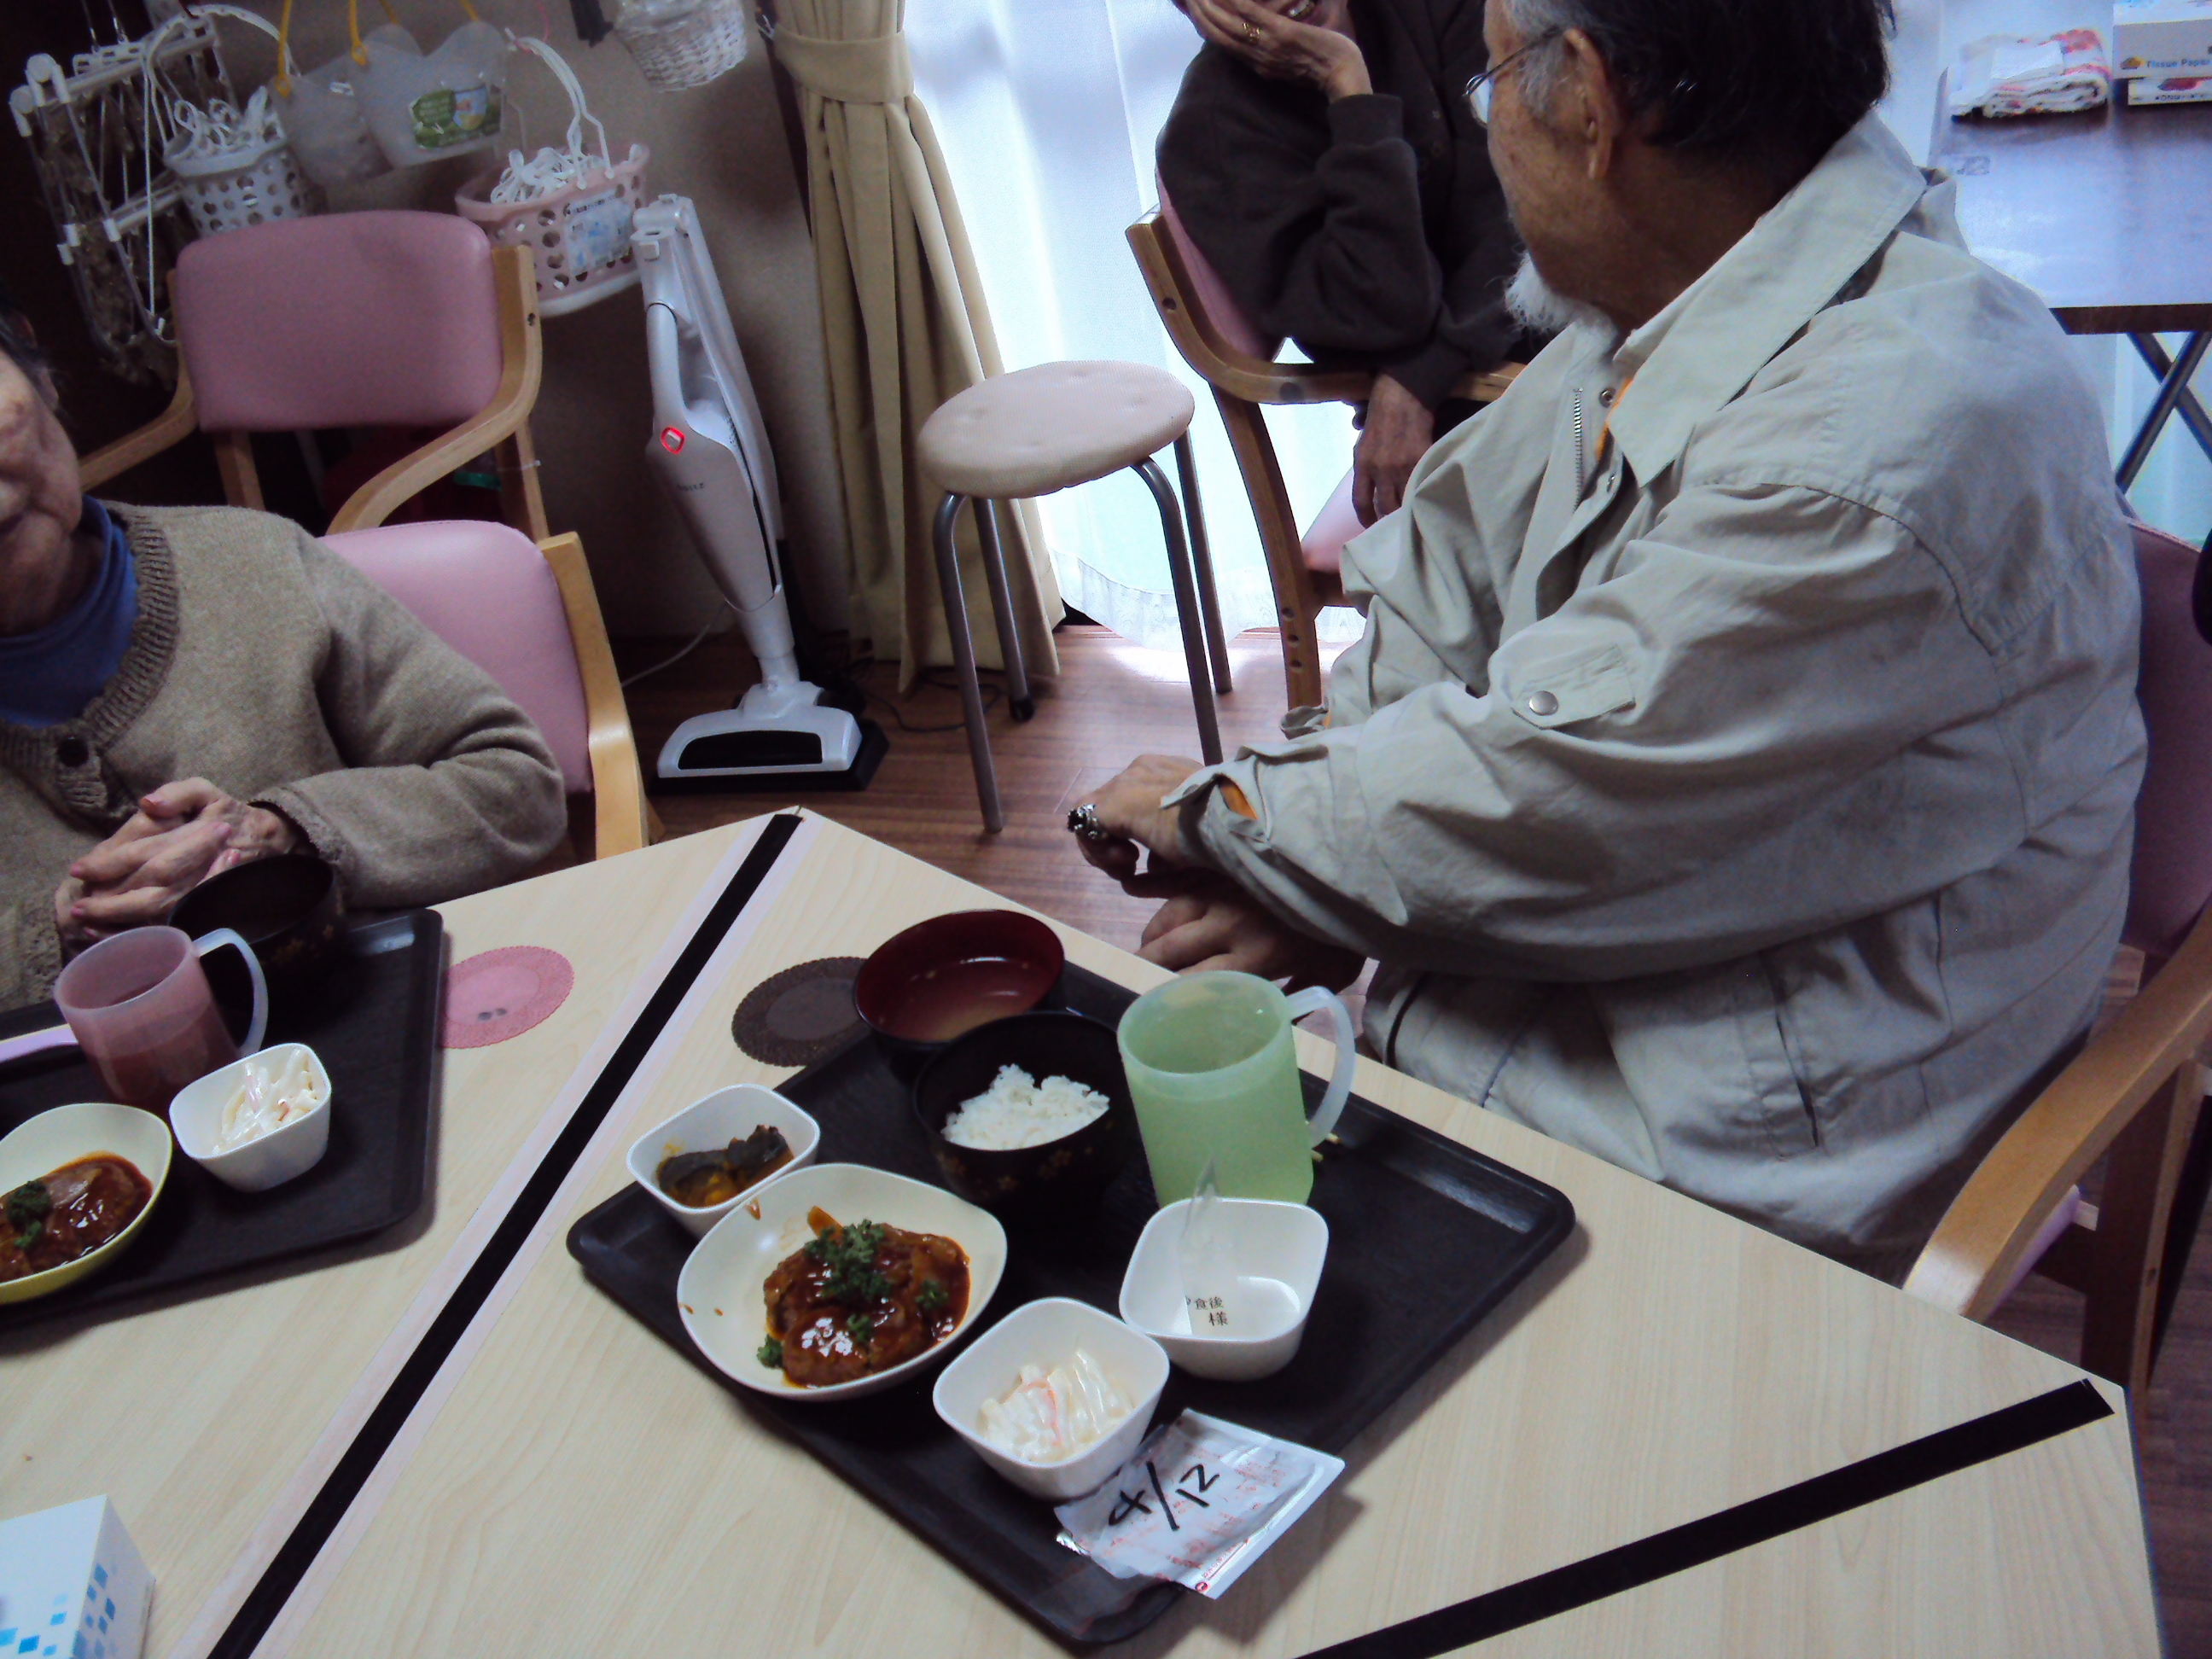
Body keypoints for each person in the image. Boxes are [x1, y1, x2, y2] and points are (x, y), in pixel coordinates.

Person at [1074, 0, 2144, 1278]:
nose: (1486, 125)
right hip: (1593, 1001)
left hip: (1744, 1172)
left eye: (1490, 81)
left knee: (1154, 1272)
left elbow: (1548, 800)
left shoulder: (1880, 444)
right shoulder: (1682, 289)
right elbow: (1438, 579)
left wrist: (1230, 820)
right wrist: (1314, 876)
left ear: (1590, 100)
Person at [0, 294, 568, 1010]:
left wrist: (284, 834)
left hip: (393, 1022)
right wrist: (58, 933)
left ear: (35, 366)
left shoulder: (255, 564)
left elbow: (516, 787)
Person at [1160, 0, 1539, 523]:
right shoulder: (1211, 133)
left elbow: (1533, 202)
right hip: (1475, 408)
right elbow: (1383, 315)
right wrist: (1348, 86)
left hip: (1557, 319)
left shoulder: (1438, 11)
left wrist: (1421, 373)